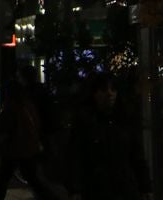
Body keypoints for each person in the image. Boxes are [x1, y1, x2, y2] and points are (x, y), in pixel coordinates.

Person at [65, 72, 152, 200]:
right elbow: (76, 157)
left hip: (125, 187)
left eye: (113, 89)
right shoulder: (85, 121)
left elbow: (137, 155)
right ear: (94, 93)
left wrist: (145, 187)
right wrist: (75, 190)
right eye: (103, 89)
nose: (109, 93)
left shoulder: (125, 119)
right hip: (96, 188)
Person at [0, 66, 53, 200]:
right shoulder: (28, 102)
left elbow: (4, 125)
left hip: (14, 148)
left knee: (4, 180)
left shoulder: (13, 105)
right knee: (33, 179)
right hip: (29, 146)